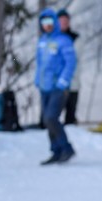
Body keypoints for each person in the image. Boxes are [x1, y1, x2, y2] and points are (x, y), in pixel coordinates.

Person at [35, 8, 77, 165]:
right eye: (44, 22)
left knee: (51, 117)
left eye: (50, 22)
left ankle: (66, 148)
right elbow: (40, 64)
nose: (47, 25)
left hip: (58, 87)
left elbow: (71, 62)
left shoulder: (64, 41)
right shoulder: (42, 41)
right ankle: (56, 150)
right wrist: (37, 80)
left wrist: (63, 81)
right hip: (44, 86)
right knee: (47, 120)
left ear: (55, 22)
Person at [57, 9, 80, 125]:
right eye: (61, 21)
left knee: (70, 116)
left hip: (73, 82)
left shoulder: (76, 39)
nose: (64, 23)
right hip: (56, 84)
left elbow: (77, 60)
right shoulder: (52, 38)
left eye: (66, 21)